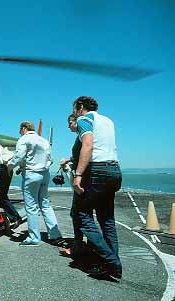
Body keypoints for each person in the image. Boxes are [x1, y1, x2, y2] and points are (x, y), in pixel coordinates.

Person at [72, 96, 122, 280]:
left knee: (82, 215)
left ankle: (111, 262)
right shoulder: (108, 121)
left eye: (75, 108)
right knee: (107, 219)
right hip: (114, 170)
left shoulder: (84, 119)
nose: (75, 111)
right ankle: (111, 263)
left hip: (97, 170)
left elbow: (88, 144)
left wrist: (78, 174)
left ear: (81, 106)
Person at [8, 121, 63, 246]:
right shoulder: (43, 140)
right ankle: (55, 235)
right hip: (45, 174)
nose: (19, 132)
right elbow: (51, 159)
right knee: (45, 205)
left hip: (31, 175)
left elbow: (19, 156)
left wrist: (9, 167)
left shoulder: (24, 139)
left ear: (24, 128)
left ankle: (34, 237)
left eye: (20, 130)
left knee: (31, 207)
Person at [59, 114, 85, 257]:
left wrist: (68, 160)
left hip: (82, 180)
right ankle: (85, 245)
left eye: (70, 123)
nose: (68, 126)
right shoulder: (81, 136)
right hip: (84, 177)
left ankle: (79, 246)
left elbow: (83, 153)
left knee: (76, 213)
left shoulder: (83, 136)